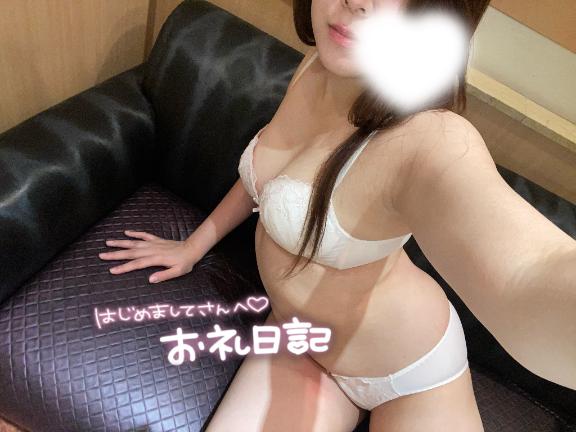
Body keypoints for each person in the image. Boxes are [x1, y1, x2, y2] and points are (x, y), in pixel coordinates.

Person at [99, 0, 576, 430]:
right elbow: (264, 178)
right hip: (302, 342)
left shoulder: (430, 140)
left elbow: (529, 275)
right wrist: (194, 244)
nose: (356, 2)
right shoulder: (318, 65)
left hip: (412, 374)